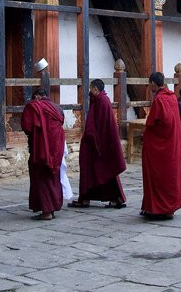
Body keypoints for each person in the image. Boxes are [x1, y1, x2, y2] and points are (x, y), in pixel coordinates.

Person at [70, 79, 127, 208]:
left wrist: (95, 140)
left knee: (106, 171)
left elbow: (102, 125)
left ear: (95, 89)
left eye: (91, 89)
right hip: (94, 142)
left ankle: (116, 198)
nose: (90, 91)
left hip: (100, 144)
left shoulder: (103, 101)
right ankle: (85, 197)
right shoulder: (98, 100)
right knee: (91, 170)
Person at [140, 72, 181, 220]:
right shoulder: (171, 97)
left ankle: (157, 208)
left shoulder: (159, 99)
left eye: (150, 84)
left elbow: (152, 123)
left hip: (160, 146)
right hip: (173, 143)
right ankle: (168, 208)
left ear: (153, 83)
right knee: (170, 175)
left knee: (157, 175)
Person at [20, 88, 66, 220]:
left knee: (41, 177)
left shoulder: (34, 106)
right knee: (53, 176)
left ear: (36, 97)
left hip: (41, 148)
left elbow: (27, 127)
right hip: (56, 148)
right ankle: (51, 207)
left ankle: (47, 212)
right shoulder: (57, 108)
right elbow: (61, 122)